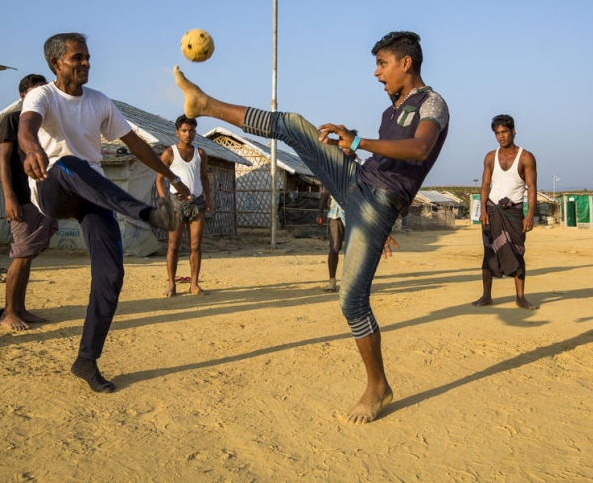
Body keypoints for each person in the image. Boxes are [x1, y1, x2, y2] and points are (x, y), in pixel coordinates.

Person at [173, 30, 447, 424]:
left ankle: (377, 387)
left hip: (377, 203)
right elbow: (381, 156)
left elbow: (419, 149)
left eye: (382, 63)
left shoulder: (432, 103)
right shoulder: (393, 108)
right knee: (296, 126)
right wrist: (349, 146)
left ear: (406, 63)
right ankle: (205, 103)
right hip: (355, 182)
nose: (376, 72)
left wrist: (359, 142)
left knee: (351, 301)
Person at [19, 33, 190, 393]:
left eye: (87, 57)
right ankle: (144, 213)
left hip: (92, 193)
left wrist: (171, 175)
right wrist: (33, 148)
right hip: (54, 187)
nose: (85, 63)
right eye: (77, 58)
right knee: (68, 162)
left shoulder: (99, 102)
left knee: (111, 276)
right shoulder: (42, 95)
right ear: (56, 64)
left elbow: (136, 144)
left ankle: (86, 360)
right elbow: (26, 127)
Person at [0, 74, 59, 331]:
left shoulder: (45, 123)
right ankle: (9, 313)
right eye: (35, 93)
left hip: (41, 197)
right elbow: (3, 160)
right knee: (22, 254)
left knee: (29, 254)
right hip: (21, 198)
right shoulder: (13, 120)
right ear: (23, 96)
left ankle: (20, 308)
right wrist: (9, 196)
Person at [472, 114, 539, 310]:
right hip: (492, 211)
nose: (501, 136)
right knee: (488, 252)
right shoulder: (490, 157)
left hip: (514, 212)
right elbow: (485, 185)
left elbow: (532, 187)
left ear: (513, 131)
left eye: (504, 132)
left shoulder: (526, 157)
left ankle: (520, 297)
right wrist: (483, 209)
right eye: (497, 133)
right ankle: (486, 295)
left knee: (517, 253)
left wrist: (529, 214)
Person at [156, 114, 212, 297]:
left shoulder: (200, 153)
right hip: (176, 204)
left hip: (196, 203)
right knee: (173, 245)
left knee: (196, 246)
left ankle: (194, 284)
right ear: (177, 132)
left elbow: (204, 178)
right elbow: (159, 179)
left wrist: (208, 199)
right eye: (184, 130)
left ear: (195, 132)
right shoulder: (169, 153)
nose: (188, 134)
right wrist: (164, 200)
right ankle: (172, 285)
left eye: (192, 130)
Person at [317, 186, 346, 293]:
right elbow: (325, 190)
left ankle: (350, 281)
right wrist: (320, 212)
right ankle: (332, 281)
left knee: (353, 248)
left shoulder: (359, 170)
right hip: (336, 213)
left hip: (355, 212)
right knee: (334, 247)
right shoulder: (334, 171)